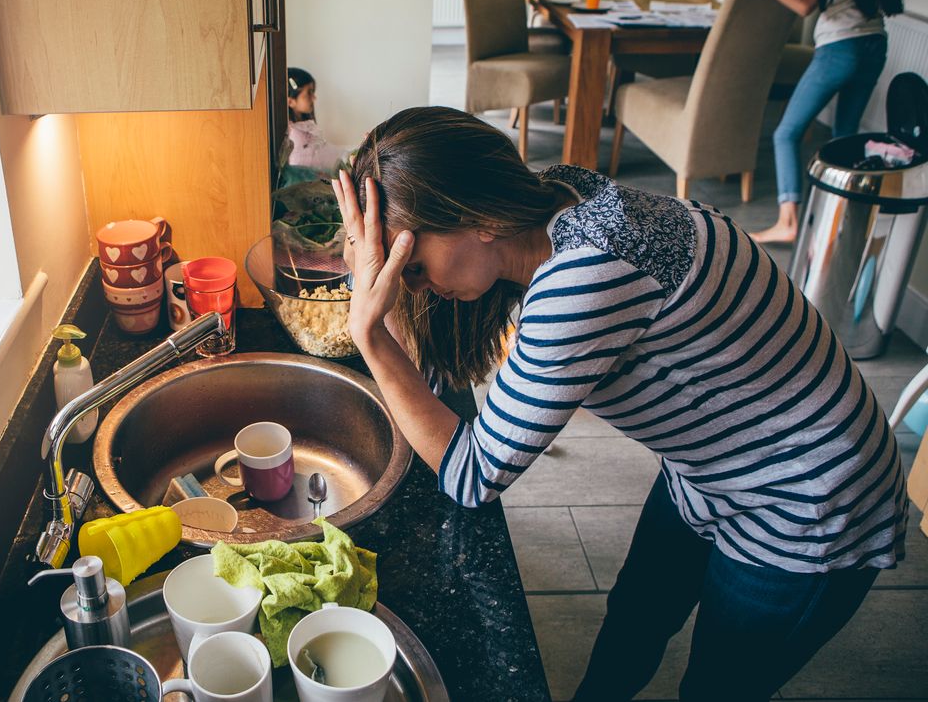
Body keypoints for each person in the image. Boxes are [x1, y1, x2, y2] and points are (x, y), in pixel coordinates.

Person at [332, 106, 906, 701]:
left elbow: (470, 474)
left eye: (413, 266)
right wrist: (367, 279)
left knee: (718, 685)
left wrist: (369, 332)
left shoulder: (584, 276)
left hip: (807, 498)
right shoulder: (562, 196)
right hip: (709, 469)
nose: (413, 286)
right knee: (635, 617)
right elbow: (422, 384)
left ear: (479, 218)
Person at [746, 0, 913, 244]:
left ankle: (788, 221)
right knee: (843, 135)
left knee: (787, 132)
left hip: (840, 49)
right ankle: (840, 217)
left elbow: (806, 6)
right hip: (874, 46)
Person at [279, 67, 346, 186]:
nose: (314, 98)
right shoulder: (293, 132)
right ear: (290, 101)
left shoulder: (305, 125)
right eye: (309, 93)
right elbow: (299, 162)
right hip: (306, 182)